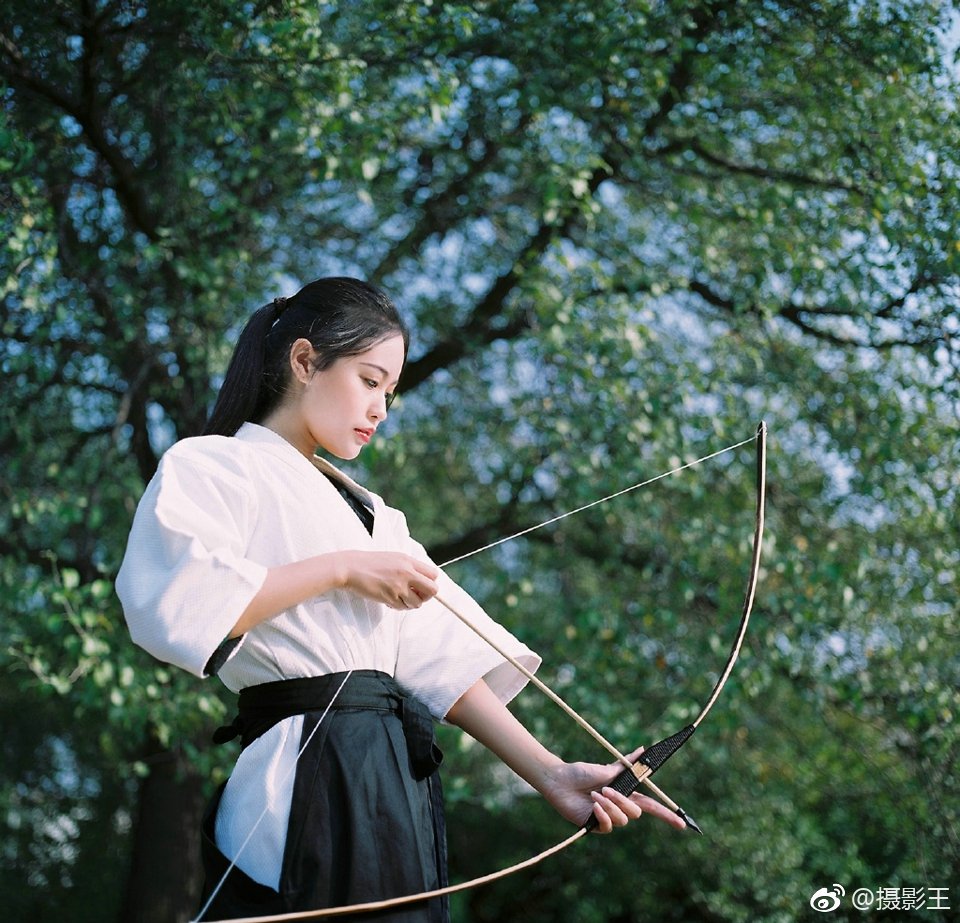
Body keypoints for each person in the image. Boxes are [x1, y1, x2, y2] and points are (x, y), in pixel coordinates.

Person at [116, 277, 684, 922]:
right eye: (368, 380)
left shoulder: (377, 516)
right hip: (304, 762)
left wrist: (550, 773)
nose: (381, 407)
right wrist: (342, 569)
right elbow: (178, 603)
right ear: (304, 362)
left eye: (390, 391)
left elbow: (439, 661)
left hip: (391, 770)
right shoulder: (213, 464)